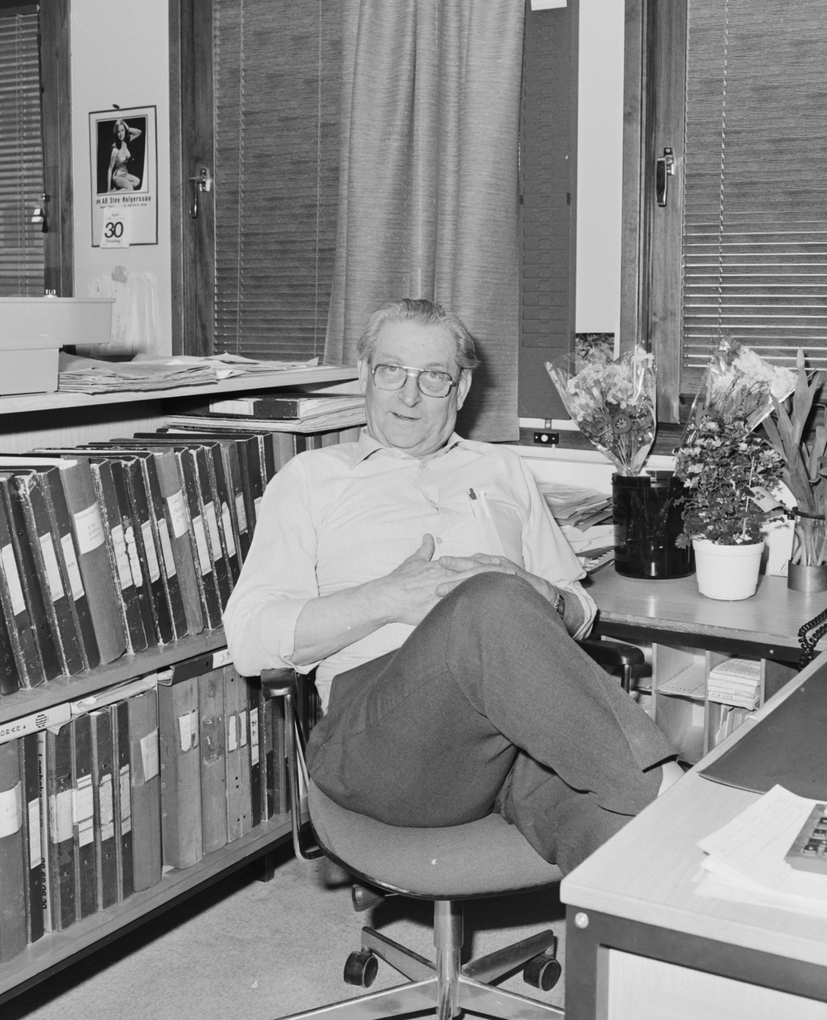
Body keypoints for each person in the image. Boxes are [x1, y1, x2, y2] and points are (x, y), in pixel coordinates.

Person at [224, 298, 681, 872]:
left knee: (640, 849)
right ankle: (671, 789)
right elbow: (248, 640)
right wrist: (388, 597)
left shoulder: (504, 470)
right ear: (364, 375)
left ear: (460, 389)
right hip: (380, 743)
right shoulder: (311, 480)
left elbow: (581, 611)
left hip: (508, 741)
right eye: (391, 371)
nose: (409, 395)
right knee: (489, 601)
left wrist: (543, 594)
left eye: (433, 377)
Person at [107, 118, 142, 192]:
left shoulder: (125, 142)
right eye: (118, 132)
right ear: (116, 133)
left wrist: (128, 128)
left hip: (125, 174)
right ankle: (113, 192)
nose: (121, 134)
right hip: (118, 177)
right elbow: (110, 169)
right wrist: (108, 188)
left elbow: (139, 132)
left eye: (122, 130)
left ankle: (117, 190)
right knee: (130, 189)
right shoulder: (115, 150)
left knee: (137, 181)